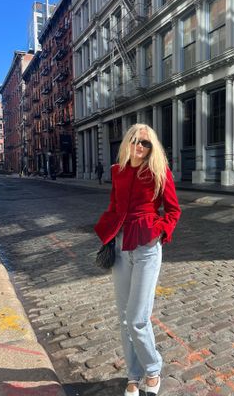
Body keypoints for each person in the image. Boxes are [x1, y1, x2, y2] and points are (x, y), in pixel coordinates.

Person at [94, 124, 181, 396]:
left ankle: (153, 369)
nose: (140, 147)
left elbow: (173, 209)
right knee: (123, 318)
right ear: (126, 143)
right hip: (121, 246)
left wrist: (160, 230)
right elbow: (114, 206)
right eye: (135, 141)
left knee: (137, 319)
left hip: (146, 247)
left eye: (146, 143)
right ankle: (133, 375)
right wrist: (108, 232)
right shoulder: (116, 172)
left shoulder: (158, 171)